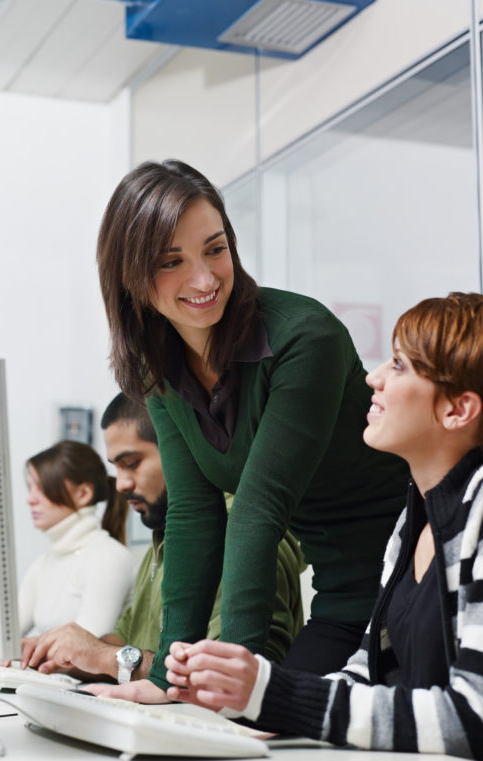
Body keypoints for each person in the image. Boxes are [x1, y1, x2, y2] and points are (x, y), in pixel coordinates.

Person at [96, 159, 409, 698]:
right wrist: (167, 680)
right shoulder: (159, 370)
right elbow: (194, 515)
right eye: (173, 261)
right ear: (131, 280)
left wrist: (234, 687)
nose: (204, 278)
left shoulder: (304, 337)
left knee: (278, 722)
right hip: (340, 598)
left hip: (408, 591)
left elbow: (258, 511)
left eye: (215, 250)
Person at [165, 292, 483, 759]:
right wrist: (253, 703)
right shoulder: (411, 522)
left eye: (397, 366)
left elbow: (472, 718)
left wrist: (279, 697)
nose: (373, 377)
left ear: (458, 410)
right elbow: (370, 669)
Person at [20, 393, 306, 691]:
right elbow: (123, 636)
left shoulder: (243, 530)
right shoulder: (161, 537)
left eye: (131, 463)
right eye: (116, 467)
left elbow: (230, 679)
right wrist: (69, 656)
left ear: (181, 448)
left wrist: (107, 658)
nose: (120, 484)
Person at [19, 439, 134, 638]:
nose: (30, 499)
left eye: (42, 487)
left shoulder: (108, 558)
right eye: (30, 488)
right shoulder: (44, 563)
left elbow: (83, 652)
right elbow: (5, 638)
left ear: (83, 494)